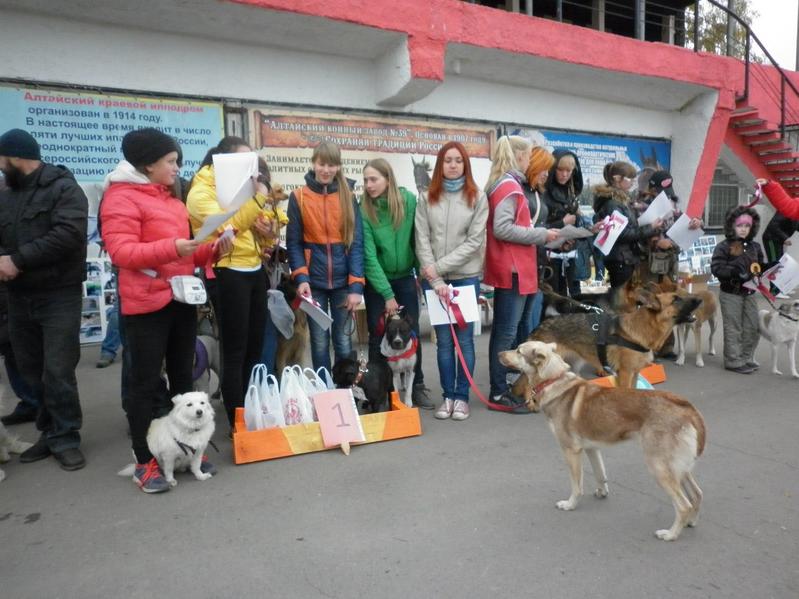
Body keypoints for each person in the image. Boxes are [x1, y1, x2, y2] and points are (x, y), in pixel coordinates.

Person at [100, 128, 231, 493]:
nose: (177, 168)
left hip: (181, 300)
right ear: (148, 164)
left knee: (183, 379)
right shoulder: (120, 197)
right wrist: (174, 247)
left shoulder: (172, 198)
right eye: (171, 162)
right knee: (144, 384)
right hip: (146, 304)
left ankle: (186, 451)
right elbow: (122, 252)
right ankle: (144, 460)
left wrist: (212, 248)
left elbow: (187, 251)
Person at [0, 128, 88, 470]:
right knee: (31, 369)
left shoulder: (63, 188)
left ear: (15, 157)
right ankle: (49, 432)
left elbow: (69, 234)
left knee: (58, 370)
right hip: (18, 296)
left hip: (58, 294)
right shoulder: (7, 193)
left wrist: (17, 260)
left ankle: (66, 437)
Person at [187, 137, 272, 427]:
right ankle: (237, 419)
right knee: (235, 350)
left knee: (254, 348)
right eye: (244, 160)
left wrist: (267, 230)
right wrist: (259, 197)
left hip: (254, 268)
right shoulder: (201, 191)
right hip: (227, 271)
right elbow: (228, 227)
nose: (251, 167)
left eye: (252, 160)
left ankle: (249, 409)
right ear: (222, 159)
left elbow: (256, 225)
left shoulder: (242, 185)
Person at [415, 141, 489, 421]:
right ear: (440, 165)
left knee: (465, 341)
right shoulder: (426, 198)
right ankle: (448, 396)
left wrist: (436, 268)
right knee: (444, 342)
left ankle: (462, 397)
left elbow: (474, 242)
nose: (453, 165)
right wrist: (434, 277)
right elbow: (421, 238)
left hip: (465, 278)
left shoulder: (478, 197)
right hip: (434, 280)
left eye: (458, 160)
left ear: (465, 165)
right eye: (448, 160)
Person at [484, 137, 558, 413]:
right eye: (528, 156)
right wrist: (540, 234)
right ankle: (498, 391)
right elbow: (502, 228)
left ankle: (505, 387)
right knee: (505, 334)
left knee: (509, 331)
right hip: (513, 268)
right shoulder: (508, 186)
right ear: (519, 156)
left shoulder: (508, 184)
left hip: (518, 267)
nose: (529, 161)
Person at [360, 158, 433, 409]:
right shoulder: (364, 209)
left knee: (411, 332)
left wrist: (422, 272)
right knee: (377, 334)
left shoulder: (409, 201)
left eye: (374, 179)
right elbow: (369, 256)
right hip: (378, 281)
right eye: (366, 180)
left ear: (388, 179)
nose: (368, 185)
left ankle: (418, 385)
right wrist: (387, 294)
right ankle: (376, 390)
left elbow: (418, 239)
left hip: (405, 277)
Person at [286, 141, 364, 372]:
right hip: (313, 284)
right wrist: (302, 279)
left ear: (338, 166)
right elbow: (294, 243)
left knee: (343, 342)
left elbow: (356, 243)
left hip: (343, 283)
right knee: (319, 344)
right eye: (322, 164)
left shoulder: (349, 196)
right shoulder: (298, 197)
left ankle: (344, 389)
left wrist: (356, 287)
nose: (326, 170)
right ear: (314, 163)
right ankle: (323, 389)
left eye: (332, 165)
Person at [592, 161, 663, 295]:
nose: (633, 183)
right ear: (617, 179)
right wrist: (650, 227)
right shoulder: (613, 204)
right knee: (622, 299)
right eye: (630, 179)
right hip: (620, 259)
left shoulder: (621, 201)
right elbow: (622, 234)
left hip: (625, 257)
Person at [710, 206, 763, 375]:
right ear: (732, 225)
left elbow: (760, 266)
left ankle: (745, 357)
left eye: (747, 226)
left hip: (750, 292)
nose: (743, 229)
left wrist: (766, 270)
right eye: (740, 225)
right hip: (731, 292)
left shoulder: (755, 246)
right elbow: (716, 268)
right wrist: (733, 272)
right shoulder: (724, 247)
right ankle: (733, 360)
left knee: (752, 326)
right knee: (733, 327)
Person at [542, 149, 586, 297]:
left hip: (569, 253)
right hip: (549, 256)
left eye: (569, 170)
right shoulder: (544, 192)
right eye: (560, 170)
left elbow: (575, 220)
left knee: (573, 296)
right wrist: (562, 223)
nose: (565, 174)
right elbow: (537, 227)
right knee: (552, 298)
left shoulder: (571, 191)